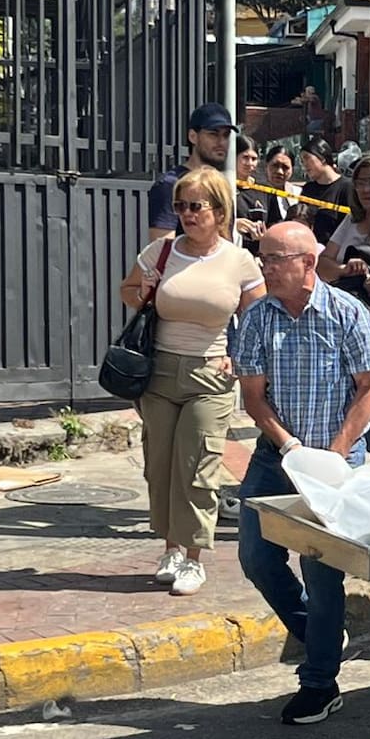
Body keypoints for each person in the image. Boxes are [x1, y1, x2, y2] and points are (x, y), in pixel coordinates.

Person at [233, 221, 370, 724]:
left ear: (308, 264)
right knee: (256, 557)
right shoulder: (258, 318)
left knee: (323, 575)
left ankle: (319, 682)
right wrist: (289, 445)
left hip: (335, 464)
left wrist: (336, 453)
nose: (266, 266)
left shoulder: (347, 312)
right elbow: (253, 397)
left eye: (277, 258)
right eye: (264, 257)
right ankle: (321, 634)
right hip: (276, 458)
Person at [120, 166, 266, 595]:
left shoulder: (238, 259)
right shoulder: (163, 251)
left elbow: (255, 318)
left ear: (219, 210)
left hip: (210, 373)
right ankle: (170, 548)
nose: (185, 214)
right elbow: (129, 291)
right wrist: (143, 288)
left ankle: (195, 558)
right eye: (180, 206)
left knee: (198, 465)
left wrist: (237, 360)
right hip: (159, 370)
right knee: (161, 465)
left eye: (195, 206)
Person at [147, 103, 237, 243]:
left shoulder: (221, 186)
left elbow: (226, 241)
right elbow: (161, 251)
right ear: (193, 136)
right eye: (213, 134)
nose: (221, 142)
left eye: (226, 135)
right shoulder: (171, 184)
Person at [317, 155, 370, 304]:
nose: (365, 189)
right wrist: (346, 269)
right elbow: (322, 264)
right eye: (360, 183)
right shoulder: (351, 219)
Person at [299, 136, 351, 245]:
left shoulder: (347, 187)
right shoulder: (308, 189)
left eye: (307, 158)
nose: (304, 165)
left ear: (322, 158)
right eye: (302, 161)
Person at [234, 135, 269, 257]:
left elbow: (275, 220)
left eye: (254, 159)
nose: (249, 163)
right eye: (245, 157)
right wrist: (233, 225)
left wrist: (266, 234)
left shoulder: (264, 188)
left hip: (258, 255)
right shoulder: (223, 186)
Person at [264, 145, 299, 224]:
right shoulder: (256, 192)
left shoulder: (299, 194)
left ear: (292, 170)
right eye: (275, 165)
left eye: (285, 167)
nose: (280, 171)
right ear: (266, 166)